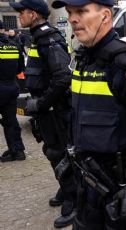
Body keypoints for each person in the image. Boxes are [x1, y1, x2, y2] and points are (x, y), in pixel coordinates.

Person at [51, 0, 126, 229]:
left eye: (81, 11)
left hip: (119, 189)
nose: (73, 19)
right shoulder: (82, 58)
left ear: (105, 16)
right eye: (70, 12)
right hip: (86, 184)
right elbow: (78, 116)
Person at [10, 0, 77, 228]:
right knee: (52, 152)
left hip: (55, 110)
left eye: (21, 11)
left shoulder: (48, 39)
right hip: (48, 110)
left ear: (34, 13)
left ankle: (74, 200)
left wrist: (42, 103)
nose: (19, 15)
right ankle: (66, 187)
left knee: (60, 153)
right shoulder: (38, 37)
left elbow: (62, 78)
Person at [0, 20, 26, 163]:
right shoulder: (14, 46)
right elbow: (20, 68)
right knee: (11, 121)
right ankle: (17, 151)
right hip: (11, 87)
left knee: (9, 121)